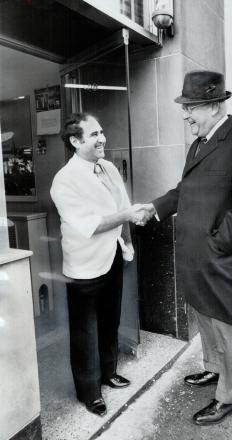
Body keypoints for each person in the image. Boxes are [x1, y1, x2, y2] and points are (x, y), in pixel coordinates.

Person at [141, 70, 232, 425]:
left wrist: (220, 242)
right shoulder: (199, 144)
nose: (186, 115)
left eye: (191, 108)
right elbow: (184, 191)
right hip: (196, 258)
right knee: (206, 317)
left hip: (220, 257)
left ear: (214, 106)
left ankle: (231, 396)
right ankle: (214, 370)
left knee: (227, 323)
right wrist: (155, 208)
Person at [50, 113, 150, 417]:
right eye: (94, 134)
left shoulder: (107, 167)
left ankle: (108, 372)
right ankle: (89, 391)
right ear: (76, 141)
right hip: (84, 267)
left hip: (113, 256)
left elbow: (122, 204)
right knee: (84, 330)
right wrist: (130, 215)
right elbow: (90, 225)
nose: (102, 138)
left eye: (102, 131)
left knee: (110, 319)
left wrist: (128, 242)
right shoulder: (64, 180)